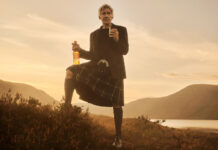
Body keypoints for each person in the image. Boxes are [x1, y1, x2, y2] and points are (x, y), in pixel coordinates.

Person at [64, 4, 129, 148]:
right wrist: (79, 50)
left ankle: (118, 138)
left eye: (108, 13)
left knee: (116, 103)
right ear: (99, 17)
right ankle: (66, 110)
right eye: (103, 13)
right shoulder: (94, 34)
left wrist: (117, 39)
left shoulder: (121, 30)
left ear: (112, 16)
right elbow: (93, 55)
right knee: (70, 71)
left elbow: (125, 51)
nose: (106, 15)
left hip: (115, 70)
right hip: (97, 68)